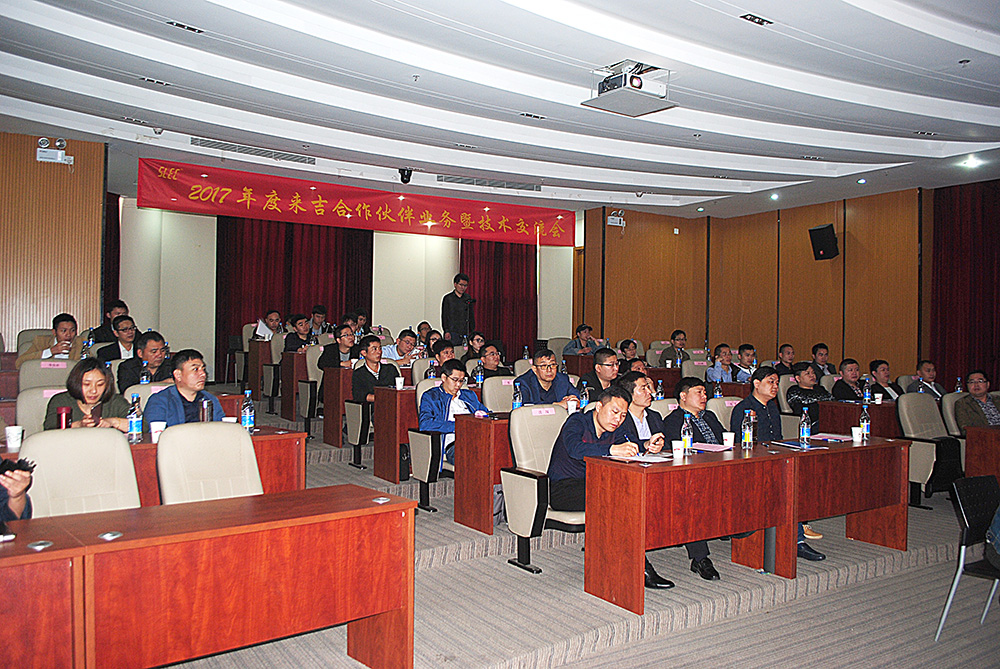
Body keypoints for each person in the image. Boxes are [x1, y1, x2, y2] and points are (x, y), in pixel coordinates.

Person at [547, 385, 674, 589]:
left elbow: (631, 442)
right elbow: (574, 449)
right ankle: (640, 568)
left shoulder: (617, 428)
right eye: (614, 412)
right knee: (618, 500)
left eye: (623, 415)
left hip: (598, 484)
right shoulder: (577, 421)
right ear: (599, 406)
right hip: (564, 488)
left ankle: (620, 560)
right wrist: (612, 449)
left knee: (634, 493)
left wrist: (647, 445)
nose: (618, 419)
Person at [731, 367, 826, 560]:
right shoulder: (744, 409)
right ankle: (797, 542)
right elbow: (742, 445)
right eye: (770, 382)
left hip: (774, 459)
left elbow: (778, 439)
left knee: (802, 473)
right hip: (752, 463)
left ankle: (795, 531)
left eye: (776, 383)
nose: (775, 386)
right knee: (786, 484)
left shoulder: (772, 407)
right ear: (757, 384)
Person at [657, 375, 724, 580]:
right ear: (683, 396)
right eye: (699, 392)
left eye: (705, 392)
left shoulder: (710, 416)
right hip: (693, 475)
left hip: (720, 468)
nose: (704, 396)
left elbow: (725, 439)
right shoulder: (674, 421)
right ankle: (700, 558)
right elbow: (676, 453)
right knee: (693, 499)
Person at [418, 359, 489, 465]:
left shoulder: (469, 395)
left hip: (477, 438)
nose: (458, 385)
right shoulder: (431, 397)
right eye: (454, 380)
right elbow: (425, 424)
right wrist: (458, 426)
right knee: (474, 455)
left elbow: (486, 413)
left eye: (461, 381)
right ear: (444, 377)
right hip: (454, 444)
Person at [143, 349, 224, 428]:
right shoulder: (160, 401)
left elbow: (219, 429)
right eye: (195, 369)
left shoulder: (210, 399)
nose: (203, 374)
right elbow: (157, 433)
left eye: (203, 369)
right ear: (178, 375)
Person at [43, 358, 130, 431]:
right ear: (76, 383)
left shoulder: (116, 402)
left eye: (100, 384)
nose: (94, 391)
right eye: (86, 384)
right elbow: (50, 430)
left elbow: (137, 424)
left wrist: (113, 422)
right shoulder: (61, 401)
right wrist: (79, 425)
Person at [514, 348, 580, 409]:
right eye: (544, 366)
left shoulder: (562, 379)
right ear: (534, 369)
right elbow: (526, 406)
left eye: (553, 365)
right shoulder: (523, 382)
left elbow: (579, 396)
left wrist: (574, 401)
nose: (549, 370)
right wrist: (557, 405)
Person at [15, 313, 83, 369]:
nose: (68, 334)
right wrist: (50, 352)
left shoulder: (81, 343)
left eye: (72, 330)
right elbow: (19, 364)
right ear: (54, 332)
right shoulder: (41, 342)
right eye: (63, 331)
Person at [352, 335, 400, 404]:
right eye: (374, 349)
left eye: (380, 348)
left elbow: (398, 389)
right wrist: (382, 398)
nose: (379, 352)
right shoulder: (359, 373)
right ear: (364, 353)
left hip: (392, 404)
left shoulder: (390, 369)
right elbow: (359, 395)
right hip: (371, 407)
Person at [955, 370, 1000, 436]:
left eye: (980, 381)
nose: (976, 385)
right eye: (972, 382)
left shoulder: (997, 399)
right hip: (985, 437)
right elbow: (965, 429)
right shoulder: (962, 404)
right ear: (967, 386)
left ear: (987, 384)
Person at [442, 272, 475, 343]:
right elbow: (445, 316)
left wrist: (472, 330)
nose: (463, 288)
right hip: (452, 332)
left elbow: (471, 315)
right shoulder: (448, 298)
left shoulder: (467, 298)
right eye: (461, 285)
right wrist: (446, 331)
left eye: (465, 285)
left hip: (465, 331)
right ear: (455, 284)